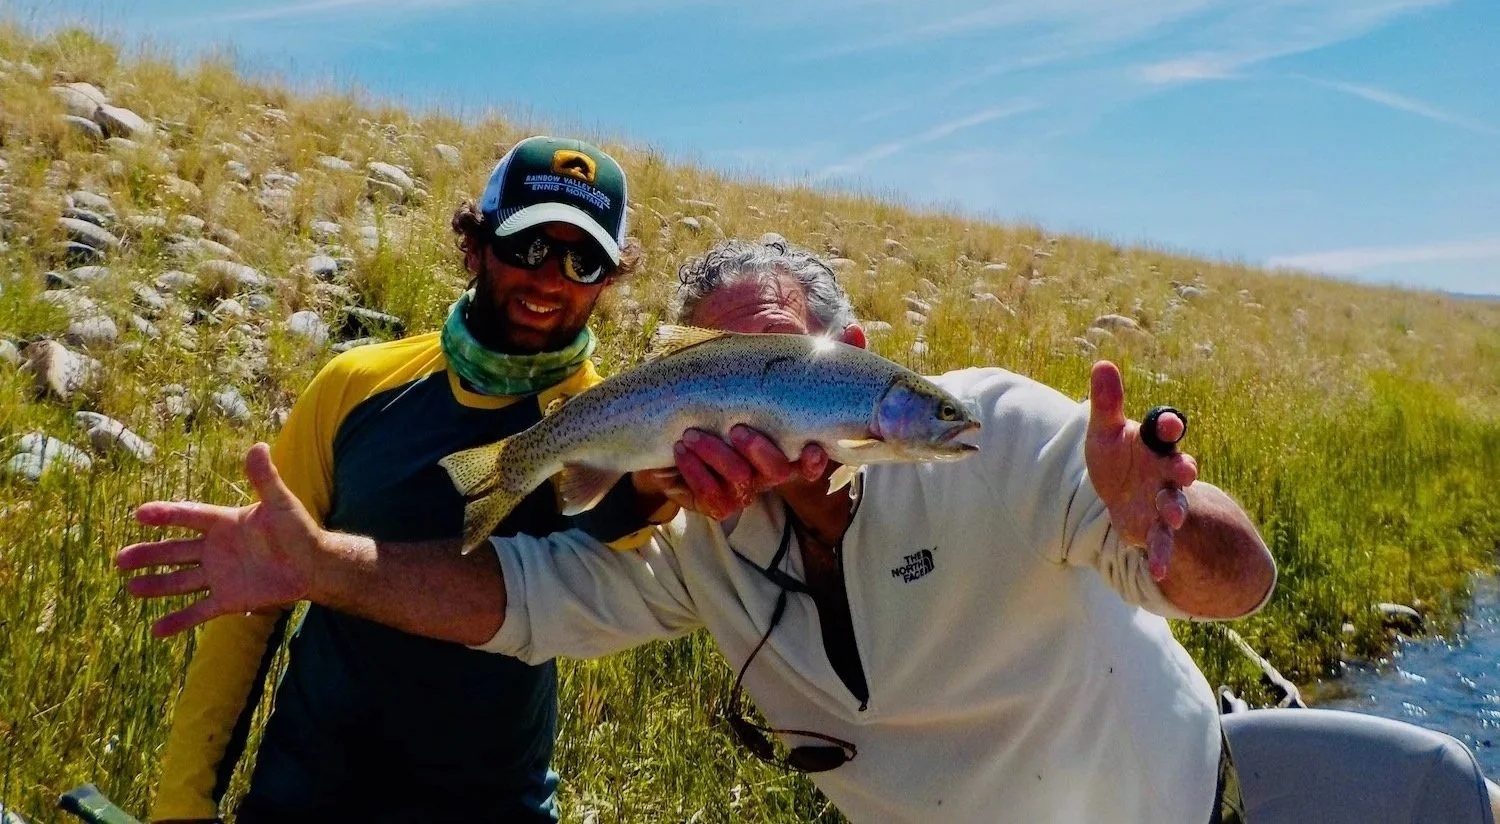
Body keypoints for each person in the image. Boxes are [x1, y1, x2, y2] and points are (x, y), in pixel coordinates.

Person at [122, 236, 1497, 823]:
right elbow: (519, 601)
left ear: (856, 360)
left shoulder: (1003, 431)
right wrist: (321, 569)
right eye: (729, 367)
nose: (773, 402)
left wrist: (1167, 510)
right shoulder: (687, 529)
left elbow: (1235, 587)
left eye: (792, 362)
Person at [147, 136, 660, 823]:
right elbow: (252, 603)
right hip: (307, 794)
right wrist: (181, 802)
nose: (550, 279)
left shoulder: (628, 430)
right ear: (476, 245)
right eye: (528, 246)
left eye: (583, 259)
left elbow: (639, 557)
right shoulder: (354, 385)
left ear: (608, 279)